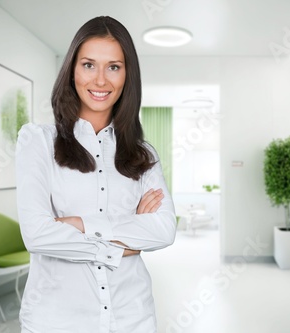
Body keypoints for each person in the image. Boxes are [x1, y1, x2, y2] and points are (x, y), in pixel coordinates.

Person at [15, 16, 176, 333]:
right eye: (89, 65)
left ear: (127, 75)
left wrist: (80, 225)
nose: (101, 80)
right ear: (72, 70)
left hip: (133, 316)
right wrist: (126, 243)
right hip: (56, 319)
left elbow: (164, 230)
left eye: (114, 66)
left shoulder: (145, 155)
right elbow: (37, 234)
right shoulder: (37, 141)